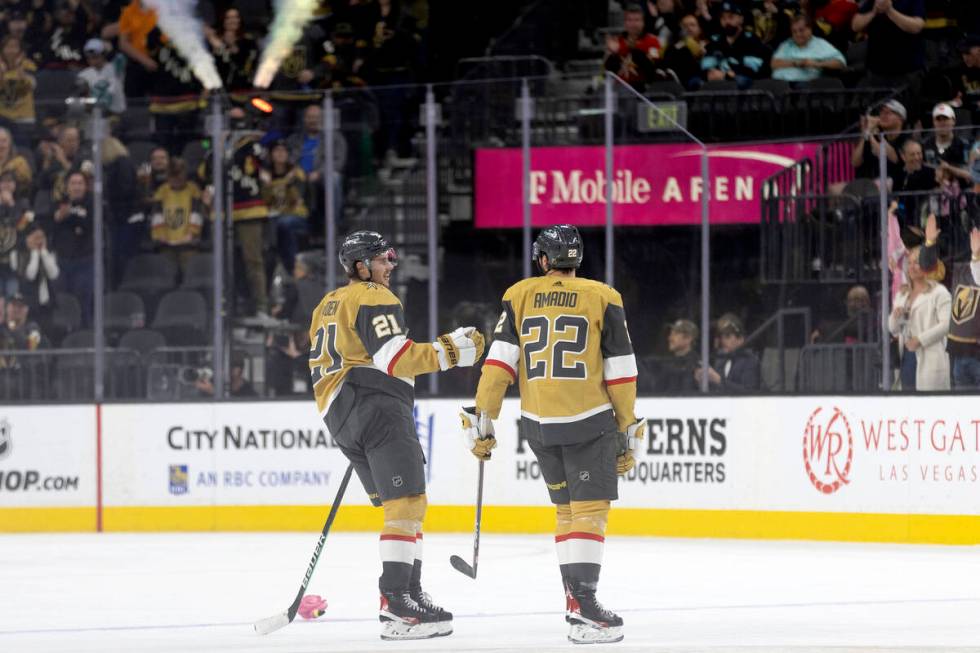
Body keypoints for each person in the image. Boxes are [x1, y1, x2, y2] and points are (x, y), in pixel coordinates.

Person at [464, 224, 643, 644]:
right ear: (576, 260)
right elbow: (621, 371)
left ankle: (575, 602)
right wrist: (626, 425)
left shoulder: (519, 294)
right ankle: (585, 608)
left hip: (538, 425)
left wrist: (482, 419)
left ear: (543, 260)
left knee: (566, 512)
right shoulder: (604, 297)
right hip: (588, 419)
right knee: (590, 513)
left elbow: (499, 365)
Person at [308, 230, 484, 640]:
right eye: (383, 259)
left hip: (341, 411)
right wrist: (452, 350)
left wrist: (352, 410)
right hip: (375, 403)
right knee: (406, 503)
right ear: (360, 266)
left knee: (406, 503)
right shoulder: (373, 296)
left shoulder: (325, 304)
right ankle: (396, 605)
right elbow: (397, 359)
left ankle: (410, 592)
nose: (390, 266)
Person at [921, 213, 980, 388]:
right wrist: (929, 244)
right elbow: (929, 269)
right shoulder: (960, 269)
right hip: (959, 355)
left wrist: (976, 257)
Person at [888, 245, 951, 391]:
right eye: (909, 263)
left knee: (930, 408)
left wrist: (920, 340)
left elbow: (946, 324)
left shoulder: (939, 292)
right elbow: (892, 329)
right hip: (907, 356)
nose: (912, 267)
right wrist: (895, 318)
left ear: (927, 265)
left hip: (930, 356)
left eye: (916, 262)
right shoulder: (902, 294)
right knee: (908, 406)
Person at [851, 0, 925, 87]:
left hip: (907, 70)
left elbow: (917, 27)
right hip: (876, 70)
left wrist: (890, 11)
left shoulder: (913, 1)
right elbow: (855, 26)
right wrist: (873, 12)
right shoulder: (873, 2)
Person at [701, 2, 771, 89]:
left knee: (740, 81)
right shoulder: (716, 40)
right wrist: (710, 71)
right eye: (723, 18)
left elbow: (753, 67)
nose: (727, 21)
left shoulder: (751, 39)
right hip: (719, 79)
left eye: (731, 17)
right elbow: (706, 62)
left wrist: (727, 75)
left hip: (746, 81)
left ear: (741, 19)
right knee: (696, 82)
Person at [603, 3, 664, 91]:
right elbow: (609, 73)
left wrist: (634, 50)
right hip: (618, 90)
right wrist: (614, 55)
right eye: (629, 20)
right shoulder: (616, 41)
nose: (633, 24)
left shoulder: (652, 41)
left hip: (643, 90)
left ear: (643, 22)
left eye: (637, 20)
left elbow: (652, 71)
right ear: (625, 23)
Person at [770, 14, 845, 83]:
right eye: (794, 32)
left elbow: (840, 63)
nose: (798, 34)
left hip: (805, 86)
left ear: (810, 29)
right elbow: (774, 64)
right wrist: (796, 63)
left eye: (801, 30)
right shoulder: (786, 44)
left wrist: (817, 64)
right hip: (779, 84)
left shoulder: (820, 44)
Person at [695, 313, 760, 392]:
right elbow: (716, 389)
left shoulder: (750, 360)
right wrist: (703, 380)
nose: (723, 341)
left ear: (740, 339)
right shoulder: (721, 358)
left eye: (727, 337)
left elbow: (749, 393)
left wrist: (718, 379)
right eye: (721, 337)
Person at [851, 99, 908, 181]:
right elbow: (855, 162)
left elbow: (893, 158)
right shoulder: (874, 135)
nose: (883, 116)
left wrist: (870, 134)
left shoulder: (907, 139)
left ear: (901, 118)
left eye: (888, 113)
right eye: (881, 112)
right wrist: (865, 132)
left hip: (894, 182)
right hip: (869, 183)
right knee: (833, 189)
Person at [921, 103, 971, 187]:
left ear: (953, 121)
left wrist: (948, 168)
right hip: (932, 192)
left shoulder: (963, 144)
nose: (942, 123)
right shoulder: (925, 145)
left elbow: (970, 173)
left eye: (945, 119)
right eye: (938, 119)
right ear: (933, 122)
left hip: (959, 193)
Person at [76, 38, 126, 116]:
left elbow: (121, 58)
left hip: (118, 114)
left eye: (95, 56)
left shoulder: (115, 68)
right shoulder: (83, 74)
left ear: (103, 54)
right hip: (95, 115)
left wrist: (111, 50)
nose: (92, 60)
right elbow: (82, 99)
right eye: (89, 57)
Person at [664, 13, 708, 89]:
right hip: (681, 78)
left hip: (700, 77)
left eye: (692, 25)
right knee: (679, 50)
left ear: (700, 29)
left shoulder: (707, 44)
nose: (689, 28)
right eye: (685, 26)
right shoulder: (677, 47)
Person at [658, 318, 700, 393]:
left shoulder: (696, 365)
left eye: (675, 334)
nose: (669, 338)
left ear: (688, 338)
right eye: (671, 334)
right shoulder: (669, 363)